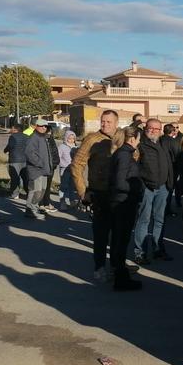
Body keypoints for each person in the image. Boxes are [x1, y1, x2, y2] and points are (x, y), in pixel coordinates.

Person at [72, 109, 121, 282]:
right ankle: (99, 267)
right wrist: (82, 191)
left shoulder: (121, 138)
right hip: (99, 194)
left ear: (116, 123)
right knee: (101, 234)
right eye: (103, 121)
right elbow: (77, 164)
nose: (105, 124)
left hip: (120, 195)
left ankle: (117, 266)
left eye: (109, 122)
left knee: (119, 234)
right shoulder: (92, 139)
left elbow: (134, 157)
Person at [132, 118, 175, 265]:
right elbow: (134, 166)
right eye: (150, 128)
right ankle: (140, 253)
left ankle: (158, 249)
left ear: (160, 131)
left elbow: (169, 163)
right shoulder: (140, 144)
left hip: (163, 187)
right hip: (147, 188)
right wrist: (142, 185)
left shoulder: (163, 143)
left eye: (156, 129)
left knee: (159, 220)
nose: (153, 131)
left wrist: (170, 183)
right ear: (145, 128)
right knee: (144, 220)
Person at [108, 126, 144, 291]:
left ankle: (119, 272)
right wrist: (135, 189)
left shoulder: (124, 153)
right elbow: (120, 180)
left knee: (119, 239)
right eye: (138, 138)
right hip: (124, 202)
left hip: (123, 201)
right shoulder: (124, 155)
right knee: (121, 240)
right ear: (132, 139)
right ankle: (120, 278)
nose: (139, 141)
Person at [23, 119, 52, 220]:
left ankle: (33, 208)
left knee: (42, 191)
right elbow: (29, 153)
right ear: (36, 126)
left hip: (44, 170)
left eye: (46, 126)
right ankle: (30, 211)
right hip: (36, 170)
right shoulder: (33, 138)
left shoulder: (43, 137)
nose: (44, 128)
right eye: (42, 126)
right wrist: (40, 163)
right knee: (35, 191)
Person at [4, 123, 29, 199]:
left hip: (15, 160)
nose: (10, 129)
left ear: (16, 129)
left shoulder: (12, 137)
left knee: (15, 178)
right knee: (26, 178)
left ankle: (15, 194)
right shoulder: (27, 137)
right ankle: (28, 193)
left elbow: (10, 146)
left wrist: (5, 150)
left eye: (12, 128)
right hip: (25, 160)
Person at [57, 129, 78, 210]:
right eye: (70, 138)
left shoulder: (76, 147)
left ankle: (72, 201)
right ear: (66, 138)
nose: (71, 140)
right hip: (64, 169)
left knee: (72, 186)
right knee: (64, 186)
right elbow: (58, 158)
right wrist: (63, 164)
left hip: (74, 169)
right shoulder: (62, 147)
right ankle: (62, 202)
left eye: (73, 138)